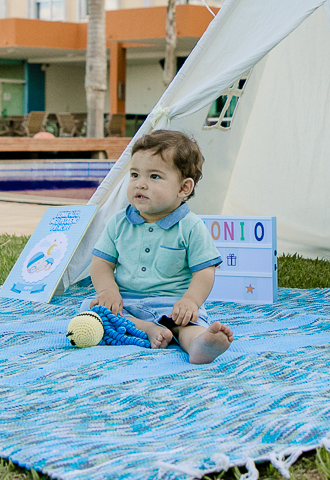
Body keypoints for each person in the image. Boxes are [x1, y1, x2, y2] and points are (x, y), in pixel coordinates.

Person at [88, 130, 234, 364]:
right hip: (126, 301)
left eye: (154, 177)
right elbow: (102, 262)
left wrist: (190, 301)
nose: (140, 184)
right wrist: (108, 291)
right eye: (135, 175)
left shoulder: (191, 226)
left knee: (187, 325)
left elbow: (204, 272)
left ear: (183, 188)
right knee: (94, 312)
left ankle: (199, 344)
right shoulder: (118, 223)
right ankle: (148, 329)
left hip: (172, 303)